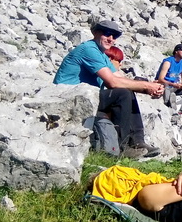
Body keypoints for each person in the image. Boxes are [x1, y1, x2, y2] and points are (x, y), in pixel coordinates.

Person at [54, 19, 164, 157]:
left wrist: (149, 89)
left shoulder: (101, 55)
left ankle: (137, 142)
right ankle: (122, 147)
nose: (111, 38)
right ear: (95, 32)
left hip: (86, 97)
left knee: (127, 92)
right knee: (122, 94)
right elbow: (112, 82)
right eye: (107, 33)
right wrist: (147, 86)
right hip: (69, 98)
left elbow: (120, 78)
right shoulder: (89, 49)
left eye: (114, 36)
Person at [156, 43, 182, 110]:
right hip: (165, 85)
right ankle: (167, 104)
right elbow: (160, 79)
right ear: (176, 51)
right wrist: (173, 84)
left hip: (174, 86)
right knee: (167, 87)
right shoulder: (168, 62)